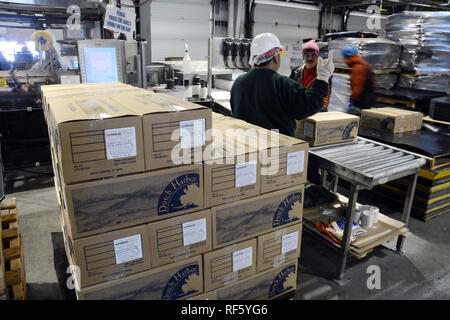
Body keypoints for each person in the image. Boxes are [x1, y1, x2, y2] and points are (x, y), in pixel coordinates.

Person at [230, 33, 334, 137]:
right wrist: (323, 77)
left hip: (245, 145)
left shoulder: (238, 83)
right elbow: (308, 106)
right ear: (275, 58)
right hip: (275, 148)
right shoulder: (282, 84)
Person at [289, 40, 332, 112]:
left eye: (313, 55)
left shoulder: (323, 73)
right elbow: (289, 92)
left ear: (318, 56)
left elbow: (324, 102)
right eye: (307, 55)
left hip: (314, 114)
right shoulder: (297, 72)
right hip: (296, 112)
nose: (310, 58)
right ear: (303, 57)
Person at [342, 45, 376, 115]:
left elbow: (357, 86)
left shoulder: (357, 68)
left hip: (361, 101)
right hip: (368, 98)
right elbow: (372, 83)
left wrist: (353, 100)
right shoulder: (365, 64)